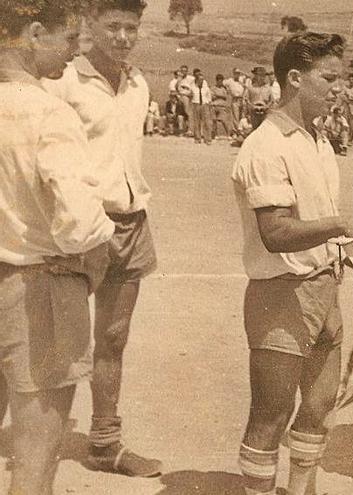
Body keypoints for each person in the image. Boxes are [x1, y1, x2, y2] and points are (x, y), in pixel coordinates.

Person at [231, 31, 353, 495]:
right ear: (295, 78)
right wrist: (342, 224)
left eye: (341, 79)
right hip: (280, 292)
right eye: (329, 78)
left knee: (321, 404)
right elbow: (275, 232)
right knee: (270, 415)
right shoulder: (266, 144)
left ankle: (304, 489)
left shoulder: (318, 141)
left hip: (326, 286)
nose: (338, 88)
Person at [40, 0, 164, 478]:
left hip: (132, 222)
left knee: (114, 338)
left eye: (131, 27)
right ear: (91, 25)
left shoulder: (138, 83)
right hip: (76, 228)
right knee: (56, 341)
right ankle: (34, 439)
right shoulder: (66, 80)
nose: (123, 37)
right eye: (113, 26)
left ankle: (105, 444)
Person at [0, 3, 116, 492]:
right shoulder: (49, 112)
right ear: (34, 33)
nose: (76, 52)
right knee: (34, 459)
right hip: (39, 285)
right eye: (69, 39)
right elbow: (77, 222)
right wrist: (97, 250)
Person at [190, 68, 213, 144]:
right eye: (200, 80)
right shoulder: (192, 84)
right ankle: (197, 138)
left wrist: (209, 104)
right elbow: (190, 93)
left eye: (202, 80)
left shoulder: (205, 84)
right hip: (196, 104)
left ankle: (208, 139)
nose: (201, 81)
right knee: (196, 122)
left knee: (206, 122)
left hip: (204, 104)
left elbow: (208, 95)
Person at [212, 73, 235, 138]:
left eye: (221, 81)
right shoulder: (213, 88)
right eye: (219, 81)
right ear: (216, 81)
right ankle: (215, 134)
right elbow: (212, 96)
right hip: (214, 105)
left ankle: (228, 134)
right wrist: (219, 96)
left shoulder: (224, 89)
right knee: (214, 121)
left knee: (224, 120)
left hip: (222, 106)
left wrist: (218, 95)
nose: (220, 82)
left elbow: (226, 96)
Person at [225, 68, 247, 136]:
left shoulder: (242, 80)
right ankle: (236, 132)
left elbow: (249, 76)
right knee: (236, 116)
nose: (237, 75)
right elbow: (223, 83)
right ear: (233, 74)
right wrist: (227, 90)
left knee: (242, 116)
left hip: (242, 99)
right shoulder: (230, 80)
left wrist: (242, 71)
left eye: (238, 73)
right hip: (235, 99)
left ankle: (241, 131)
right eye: (236, 73)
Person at [176, 64, 195, 133]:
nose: (183, 72)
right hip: (180, 96)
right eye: (182, 71)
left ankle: (190, 130)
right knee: (180, 113)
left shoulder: (191, 78)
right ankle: (180, 129)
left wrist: (190, 94)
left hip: (187, 96)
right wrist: (179, 79)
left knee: (189, 112)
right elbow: (177, 88)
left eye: (185, 71)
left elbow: (193, 88)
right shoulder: (179, 78)